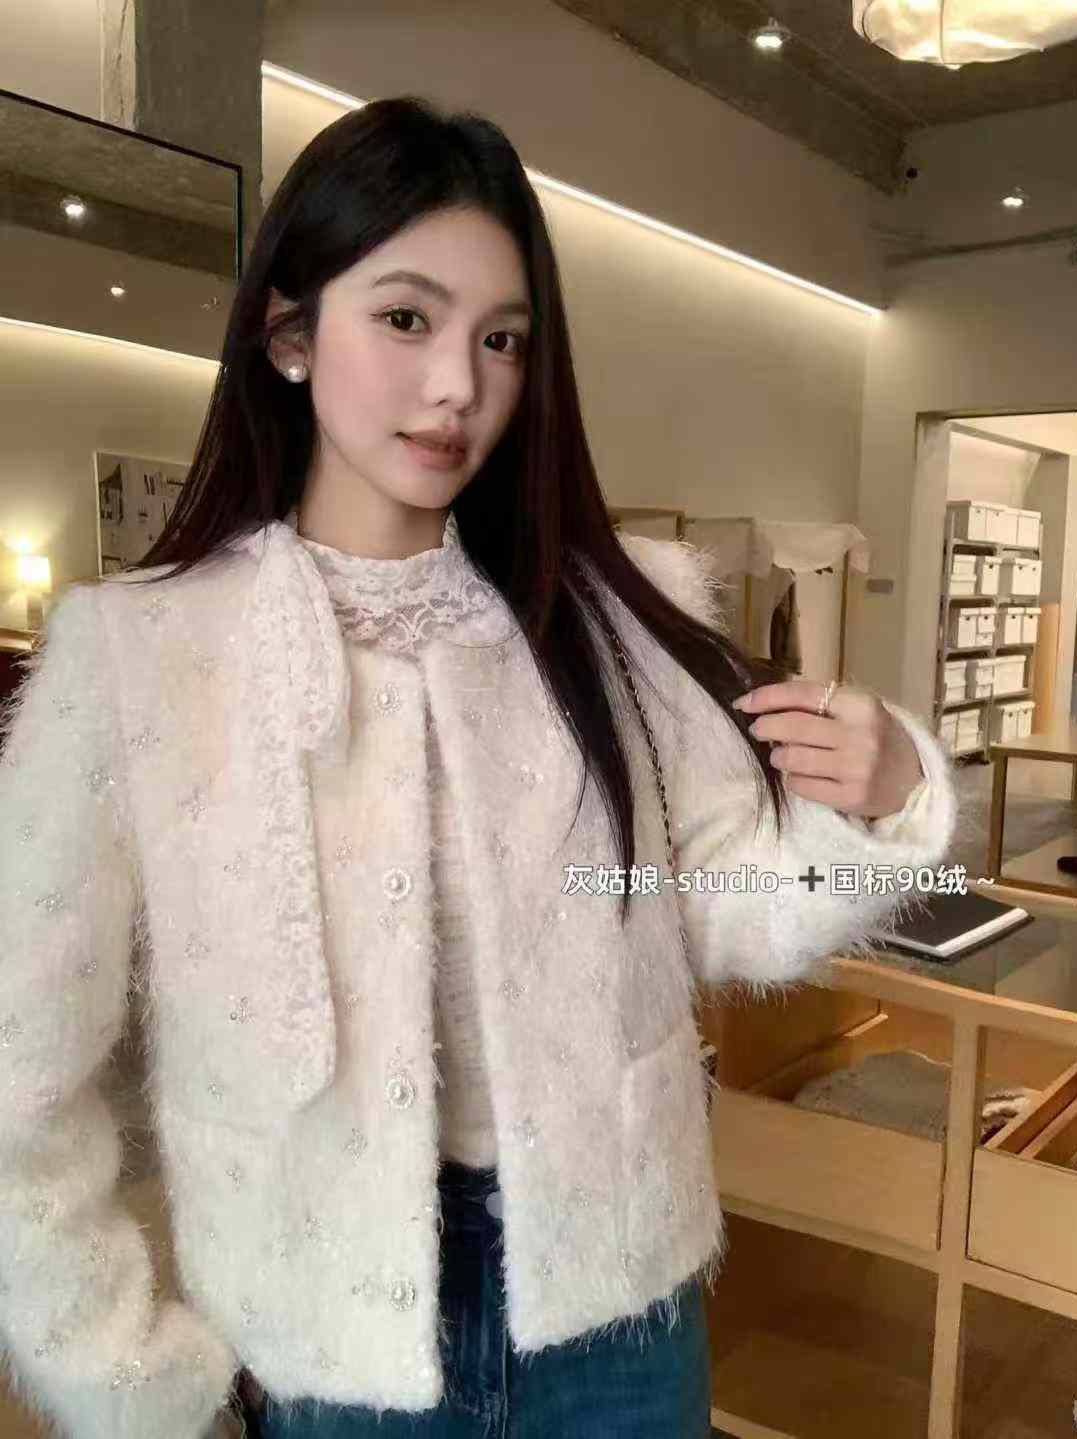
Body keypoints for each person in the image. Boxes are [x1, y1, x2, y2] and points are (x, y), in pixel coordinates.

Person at [0, 97, 957, 1439]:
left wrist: (886, 803)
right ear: (289, 333)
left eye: (502, 339)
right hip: (330, 1337)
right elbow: (20, 1070)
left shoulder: (610, 625)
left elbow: (719, 904)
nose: (458, 385)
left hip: (616, 1313)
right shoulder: (138, 660)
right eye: (407, 318)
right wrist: (124, 1373)